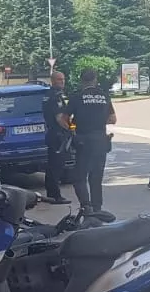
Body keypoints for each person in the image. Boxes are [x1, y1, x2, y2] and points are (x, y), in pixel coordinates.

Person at [67, 67, 116, 213]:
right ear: (95, 80)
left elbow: (64, 119)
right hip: (101, 140)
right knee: (96, 177)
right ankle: (97, 208)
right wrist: (99, 122)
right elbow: (113, 119)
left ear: (81, 80)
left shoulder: (77, 97)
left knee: (79, 177)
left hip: (83, 141)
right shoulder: (104, 96)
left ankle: (86, 206)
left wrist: (73, 127)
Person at [39, 72, 72, 204]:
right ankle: (55, 196)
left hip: (53, 134)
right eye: (59, 79)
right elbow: (59, 118)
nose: (62, 82)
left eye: (63, 79)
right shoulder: (55, 97)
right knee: (56, 166)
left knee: (53, 165)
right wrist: (71, 130)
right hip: (57, 135)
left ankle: (52, 193)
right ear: (52, 80)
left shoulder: (48, 96)